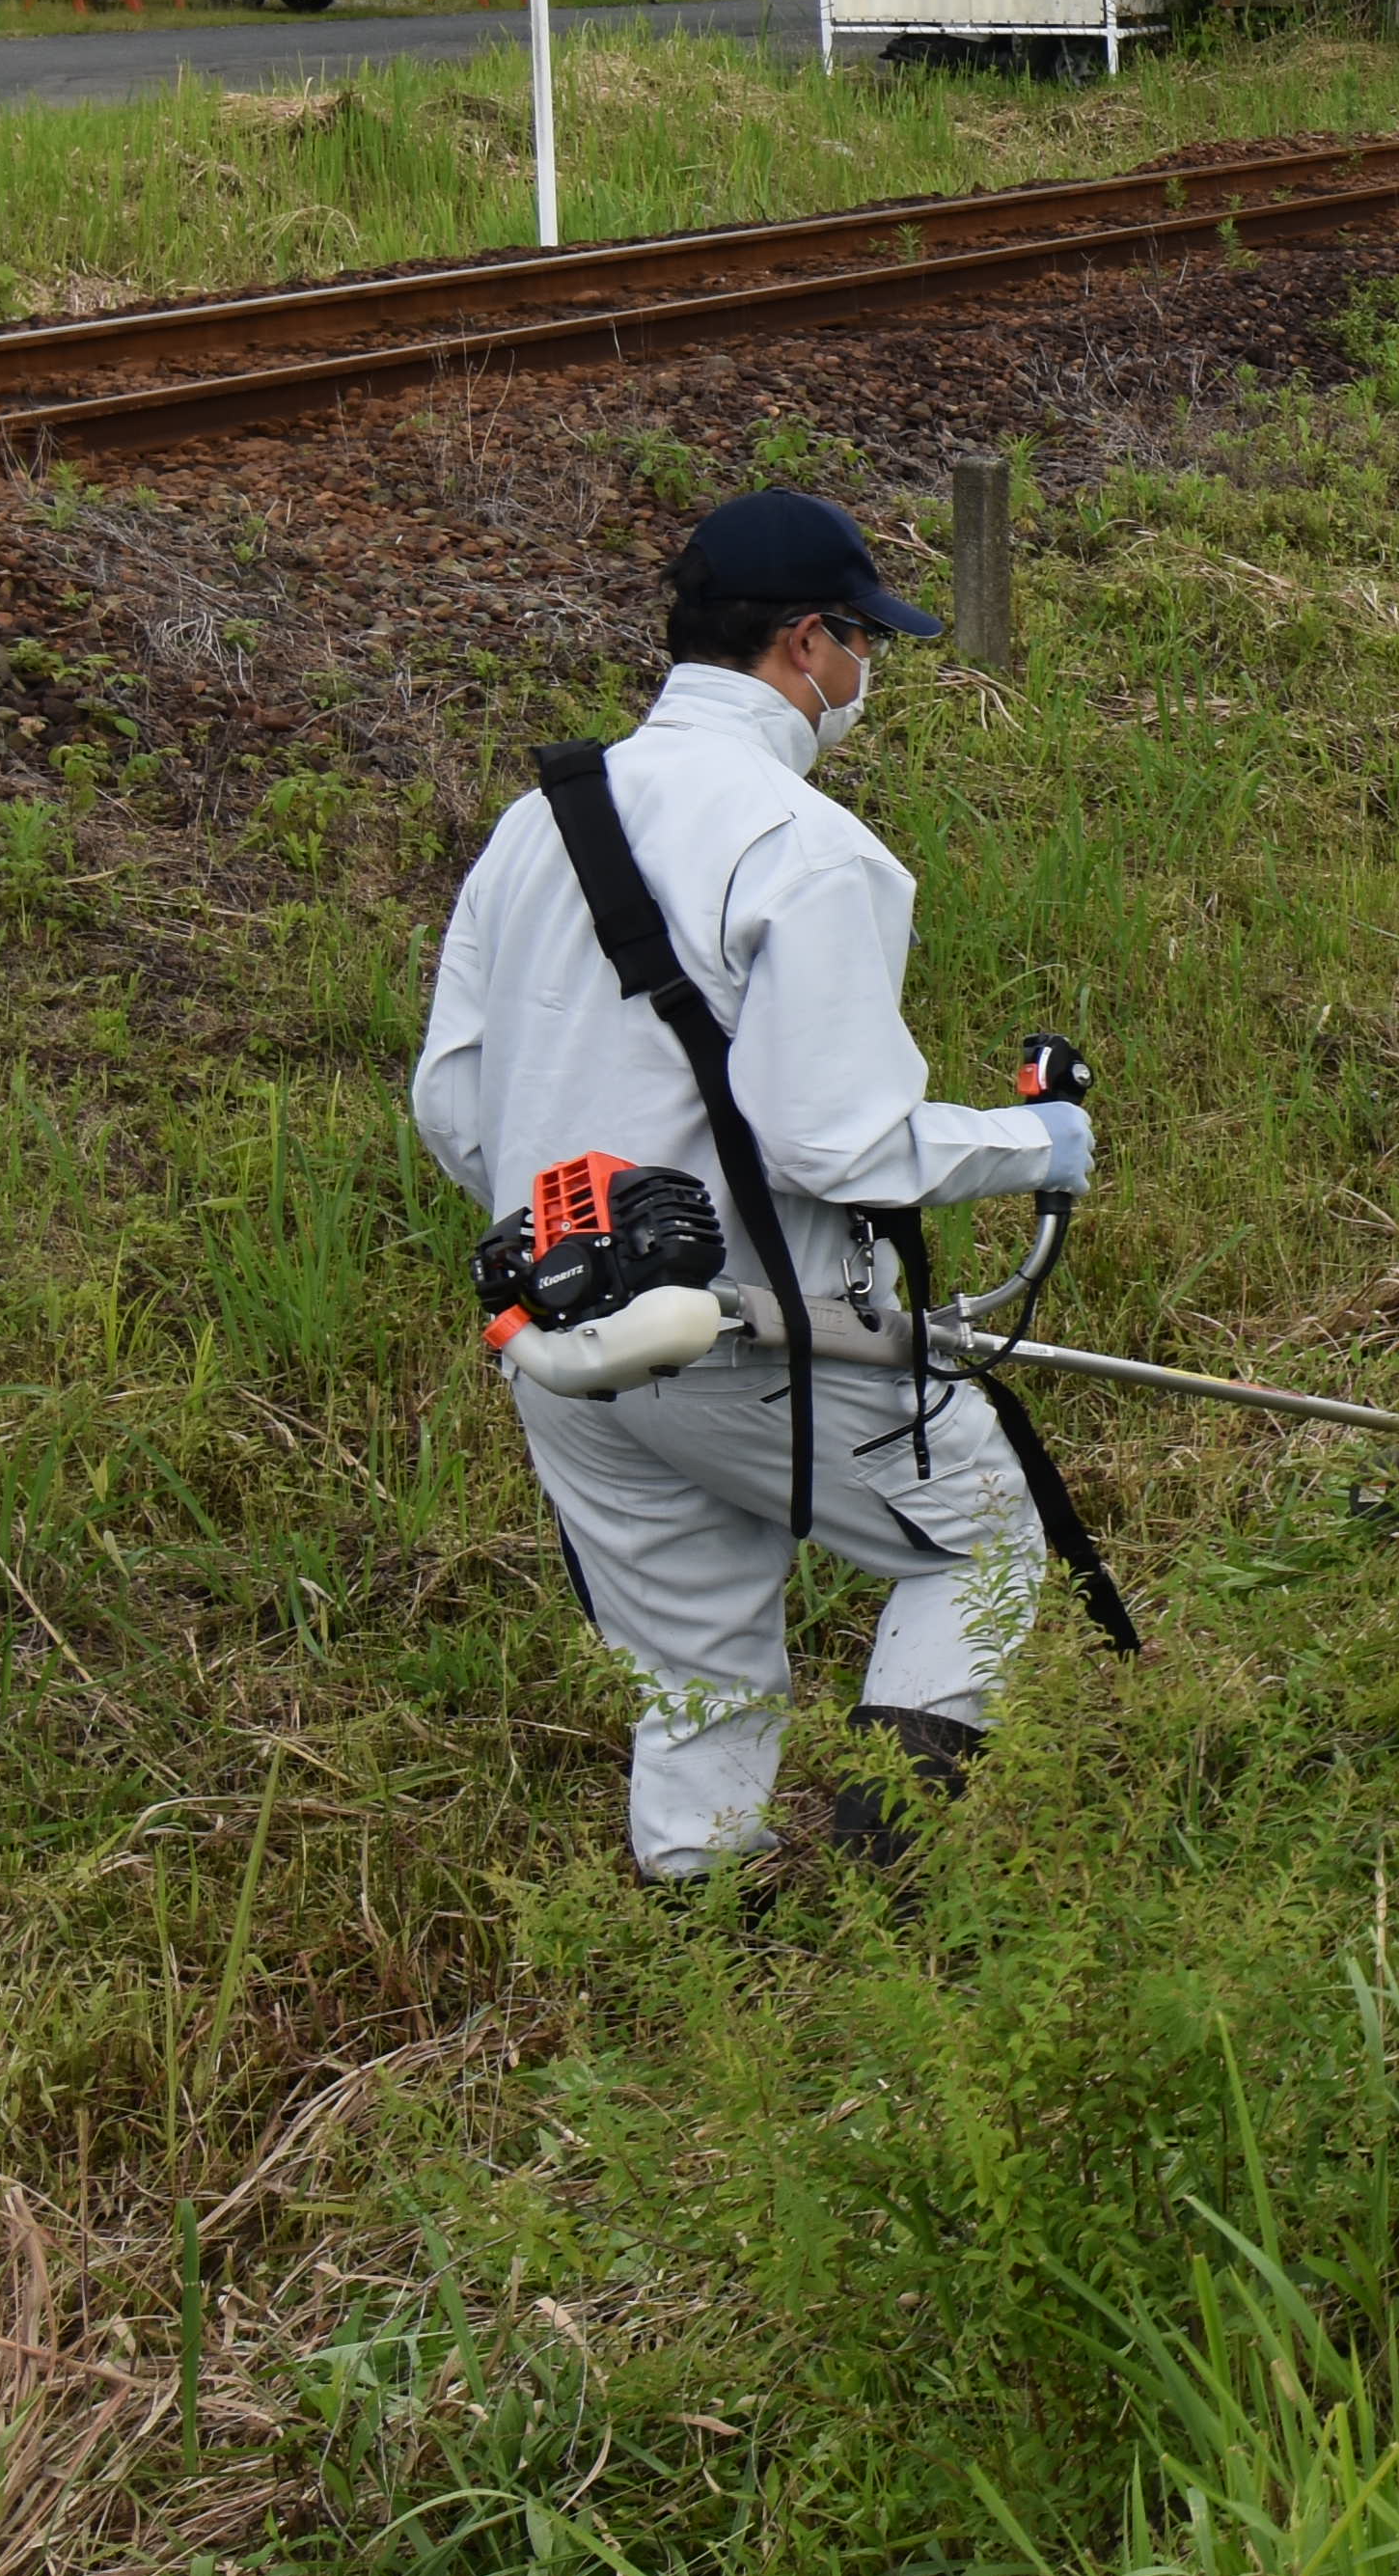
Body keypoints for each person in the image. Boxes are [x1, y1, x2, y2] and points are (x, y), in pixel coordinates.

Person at [411, 490, 1105, 1879]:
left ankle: (703, 1936)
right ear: (807, 644)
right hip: (763, 1335)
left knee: (693, 1666)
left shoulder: (539, 822)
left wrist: (587, 1227)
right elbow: (835, 1142)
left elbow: (450, 1102)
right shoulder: (813, 850)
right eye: (868, 642)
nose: (869, 675)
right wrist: (1041, 1145)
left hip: (563, 1335)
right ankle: (877, 1886)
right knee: (980, 1544)